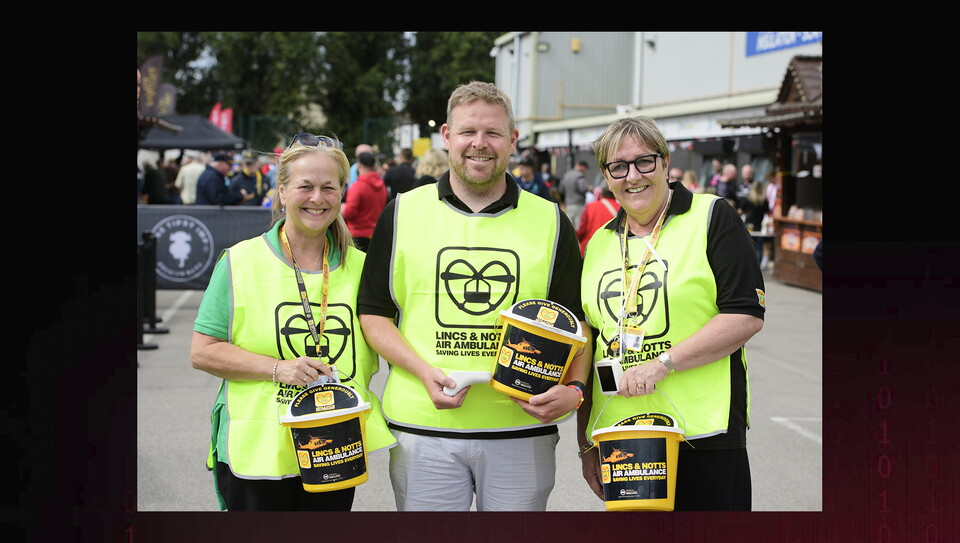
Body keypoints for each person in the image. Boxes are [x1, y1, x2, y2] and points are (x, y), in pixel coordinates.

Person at [357, 81, 591, 512]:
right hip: (423, 428)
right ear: (446, 136)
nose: (479, 144)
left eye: (493, 133)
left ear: (513, 141)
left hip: (520, 430)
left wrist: (575, 389)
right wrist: (422, 371)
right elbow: (373, 314)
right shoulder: (403, 212)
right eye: (467, 132)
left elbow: (577, 322)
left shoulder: (550, 219)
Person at [189, 133, 396, 511]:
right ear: (282, 192)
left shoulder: (364, 269)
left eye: (328, 188)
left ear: (341, 193)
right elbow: (203, 352)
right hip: (258, 456)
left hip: (335, 448)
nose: (317, 198)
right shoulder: (239, 262)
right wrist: (277, 368)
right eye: (305, 187)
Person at [578, 115, 765, 511]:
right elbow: (591, 344)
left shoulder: (712, 216)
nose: (633, 176)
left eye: (644, 161)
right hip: (624, 437)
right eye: (619, 167)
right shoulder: (599, 243)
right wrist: (586, 443)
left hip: (703, 434)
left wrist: (663, 364)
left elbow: (745, 315)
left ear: (665, 162)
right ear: (606, 176)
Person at [342, 151, 386, 252]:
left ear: (359, 164)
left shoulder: (357, 186)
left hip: (357, 234)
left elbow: (349, 213)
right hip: (374, 234)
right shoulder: (381, 185)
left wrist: (342, 209)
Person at [575, 185, 620, 256]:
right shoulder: (621, 209)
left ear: (601, 194)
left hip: (589, 248)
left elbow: (581, 230)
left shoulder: (590, 206)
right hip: (610, 250)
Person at [559, 161, 591, 229]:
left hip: (568, 205)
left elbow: (561, 189)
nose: (585, 171)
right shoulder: (580, 175)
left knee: (570, 228)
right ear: (582, 166)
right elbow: (582, 188)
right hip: (578, 205)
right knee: (578, 227)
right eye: (585, 169)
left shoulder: (566, 175)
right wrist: (589, 188)